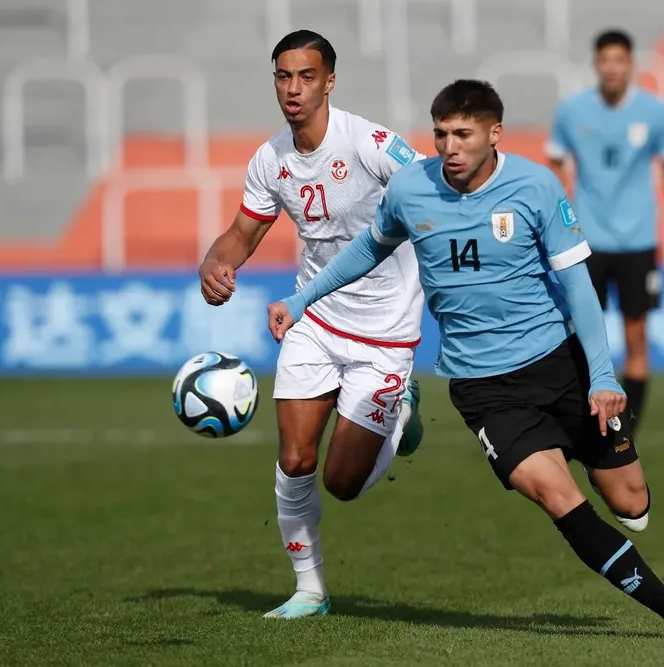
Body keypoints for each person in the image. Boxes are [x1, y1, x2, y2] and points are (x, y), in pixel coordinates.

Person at [267, 79, 664, 641]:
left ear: (493, 133)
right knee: (558, 497)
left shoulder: (534, 186)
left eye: (462, 133)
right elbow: (367, 248)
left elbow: (579, 289)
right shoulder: (412, 189)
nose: (449, 146)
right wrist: (301, 299)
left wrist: (602, 377)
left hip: (560, 366)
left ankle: (610, 477)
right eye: (440, 134)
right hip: (485, 389)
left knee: (633, 503)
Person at [197, 29, 426, 620]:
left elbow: (434, 195)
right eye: (282, 76)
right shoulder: (270, 159)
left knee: (341, 482)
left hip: (385, 330)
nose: (293, 88)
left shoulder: (372, 143)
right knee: (295, 459)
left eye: (305, 76)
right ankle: (310, 590)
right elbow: (243, 233)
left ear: (329, 81)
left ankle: (400, 412)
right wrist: (216, 262)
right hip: (313, 318)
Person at [546, 29, 664, 435]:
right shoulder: (572, 112)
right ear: (597, 64)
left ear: (630, 64)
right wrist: (558, 221)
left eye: (619, 59)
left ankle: (626, 429)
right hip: (585, 242)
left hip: (637, 241)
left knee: (636, 336)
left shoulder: (655, 112)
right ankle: (580, 415)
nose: (612, 67)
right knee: (577, 331)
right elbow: (554, 167)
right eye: (605, 59)